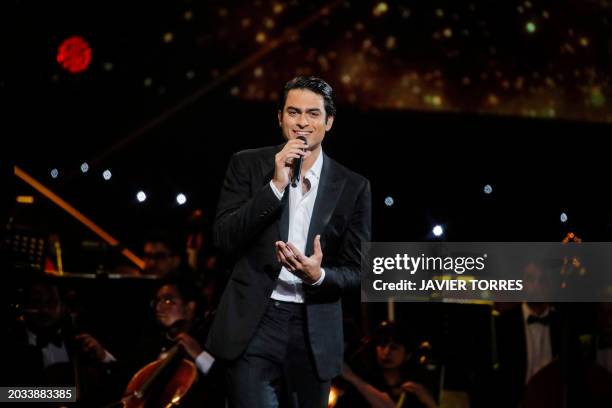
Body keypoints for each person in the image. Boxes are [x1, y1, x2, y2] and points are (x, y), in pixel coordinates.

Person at [205, 76, 372, 408]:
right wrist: (275, 186)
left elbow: (359, 270)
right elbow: (224, 238)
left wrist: (319, 276)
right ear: (280, 117)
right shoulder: (248, 165)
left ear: (329, 122)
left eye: (313, 114)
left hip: (314, 328)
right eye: (293, 112)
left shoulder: (353, 186)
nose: (302, 122)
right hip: (255, 322)